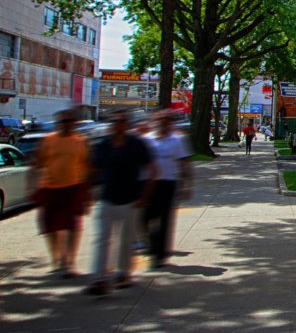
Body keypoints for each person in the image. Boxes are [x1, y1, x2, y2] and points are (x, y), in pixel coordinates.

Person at [85, 111, 154, 296]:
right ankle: (99, 278)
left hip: (131, 200)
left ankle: (123, 273)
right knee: (102, 240)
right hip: (107, 198)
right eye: (114, 121)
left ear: (127, 124)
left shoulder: (136, 144)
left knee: (126, 241)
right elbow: (92, 170)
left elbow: (151, 169)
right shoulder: (103, 145)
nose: (118, 124)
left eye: (122, 121)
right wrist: (89, 191)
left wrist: (144, 195)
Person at [32, 109, 91, 277]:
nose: (67, 124)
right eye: (63, 122)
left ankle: (69, 261)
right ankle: (57, 258)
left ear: (75, 123)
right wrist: (33, 187)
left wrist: (87, 192)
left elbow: (86, 167)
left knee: (73, 226)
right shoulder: (48, 140)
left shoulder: (81, 142)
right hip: (49, 188)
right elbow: (37, 163)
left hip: (73, 188)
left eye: (70, 121)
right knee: (50, 227)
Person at [143, 110, 191, 267]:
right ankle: (153, 244)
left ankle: (160, 254)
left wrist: (187, 184)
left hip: (169, 183)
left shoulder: (176, 140)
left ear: (169, 122)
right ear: (155, 121)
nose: (162, 122)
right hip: (149, 184)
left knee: (164, 220)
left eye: (166, 119)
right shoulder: (147, 139)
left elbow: (184, 163)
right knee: (145, 218)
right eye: (159, 119)